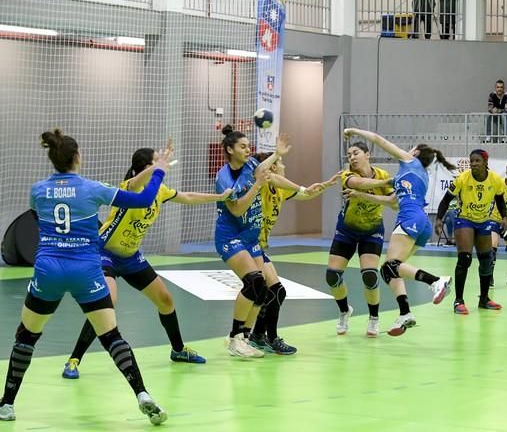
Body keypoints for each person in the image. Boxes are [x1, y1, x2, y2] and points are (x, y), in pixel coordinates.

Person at [0, 129, 169, 424]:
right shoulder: (93, 188)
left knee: (27, 336)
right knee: (111, 336)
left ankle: (7, 404)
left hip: (49, 269)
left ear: (53, 159)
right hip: (86, 270)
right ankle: (142, 394)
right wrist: (159, 173)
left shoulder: (38, 189)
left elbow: (39, 217)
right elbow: (143, 201)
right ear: (78, 157)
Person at [61, 143, 232, 379]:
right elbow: (136, 183)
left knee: (166, 300)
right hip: (104, 253)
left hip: (131, 257)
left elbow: (188, 196)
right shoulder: (129, 187)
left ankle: (179, 350)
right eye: (155, 161)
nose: (161, 164)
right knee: (106, 303)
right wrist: (157, 167)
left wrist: (220, 197)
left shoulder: (159, 190)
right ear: (145, 168)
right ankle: (73, 360)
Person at [343, 128, 453, 336]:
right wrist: (359, 195)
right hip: (421, 223)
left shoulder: (409, 161)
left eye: (411, 149)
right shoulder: (412, 174)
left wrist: (353, 130)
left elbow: (378, 139)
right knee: (389, 270)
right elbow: (391, 202)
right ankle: (405, 313)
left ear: (416, 153)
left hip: (410, 218)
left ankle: (436, 281)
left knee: (391, 265)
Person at [246, 153, 339, 352]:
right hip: (248, 244)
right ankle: (264, 336)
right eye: (281, 163)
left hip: (259, 246)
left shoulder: (280, 189)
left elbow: (306, 194)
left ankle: (256, 334)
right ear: (271, 168)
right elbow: (262, 172)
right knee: (274, 291)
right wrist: (276, 154)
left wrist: (327, 184)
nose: (284, 166)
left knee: (270, 292)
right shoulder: (260, 184)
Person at [215, 125, 291, 358]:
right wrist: (257, 184)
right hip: (230, 237)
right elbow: (237, 210)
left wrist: (277, 155)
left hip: (250, 238)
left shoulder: (250, 165)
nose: (248, 150)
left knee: (264, 291)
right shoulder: (224, 178)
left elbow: (261, 167)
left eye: (249, 146)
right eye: (243, 146)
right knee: (254, 283)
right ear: (230, 149)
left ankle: (245, 338)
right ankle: (235, 337)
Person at [324, 142, 396, 337]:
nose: (352, 157)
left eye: (355, 153)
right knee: (332, 275)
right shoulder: (348, 175)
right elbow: (360, 184)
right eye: (349, 155)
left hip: (371, 230)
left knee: (370, 274)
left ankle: (374, 318)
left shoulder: (381, 175)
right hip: (347, 229)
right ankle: (344, 310)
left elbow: (395, 203)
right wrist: (385, 184)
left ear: (367, 154)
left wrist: (374, 196)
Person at [435, 149, 507, 315]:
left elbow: (500, 200)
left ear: (485, 163)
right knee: (465, 259)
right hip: (465, 219)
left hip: (484, 221)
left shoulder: (495, 180)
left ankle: (484, 298)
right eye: (471, 161)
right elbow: (445, 200)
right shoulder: (462, 179)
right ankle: (458, 300)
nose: (473, 164)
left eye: (477, 161)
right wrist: (439, 219)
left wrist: (504, 218)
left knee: (486, 259)